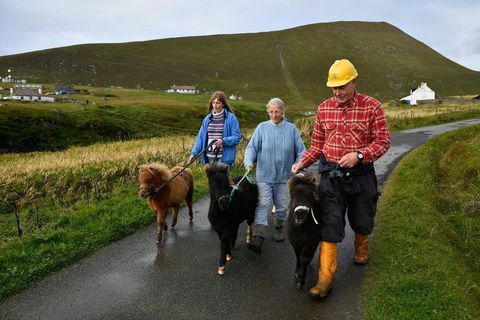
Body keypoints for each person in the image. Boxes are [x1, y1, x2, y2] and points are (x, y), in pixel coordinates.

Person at [291, 59, 391, 298]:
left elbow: (383, 141)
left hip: (361, 174)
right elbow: (317, 146)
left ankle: (361, 248)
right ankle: (325, 279)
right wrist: (302, 162)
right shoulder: (324, 108)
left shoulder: (372, 107)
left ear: (354, 82)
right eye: (334, 88)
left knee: (362, 217)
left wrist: (360, 155)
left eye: (343, 86)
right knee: (330, 223)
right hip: (331, 176)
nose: (338, 93)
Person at [244, 98, 305, 253]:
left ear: (283, 111)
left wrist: (299, 164)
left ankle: (279, 227)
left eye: (277, 111)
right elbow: (251, 148)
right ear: (268, 112)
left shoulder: (291, 129)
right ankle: (259, 235)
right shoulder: (262, 128)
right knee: (263, 204)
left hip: (285, 177)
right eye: (271, 111)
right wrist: (249, 161)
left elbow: (302, 150)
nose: (274, 114)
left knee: (283, 206)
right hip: (264, 175)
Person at [189, 91, 241, 171]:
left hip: (224, 158)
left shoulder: (231, 118)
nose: (215, 105)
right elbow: (200, 138)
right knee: (213, 182)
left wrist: (223, 141)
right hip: (209, 157)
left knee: (222, 182)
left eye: (218, 103)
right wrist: (194, 153)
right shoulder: (207, 119)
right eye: (213, 103)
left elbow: (237, 137)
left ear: (223, 104)